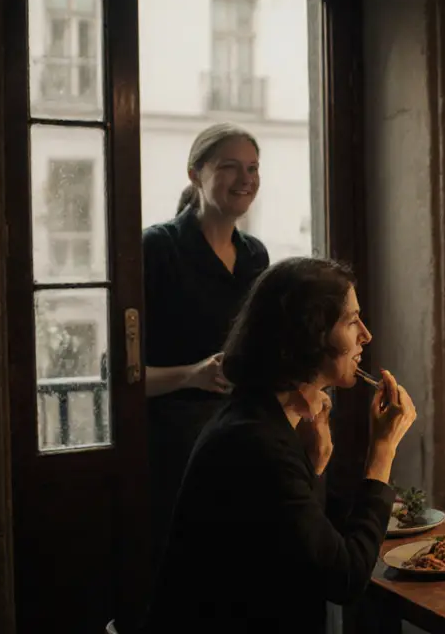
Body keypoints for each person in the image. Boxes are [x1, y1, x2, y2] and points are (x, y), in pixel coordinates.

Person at [145, 257, 416, 633]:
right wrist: (383, 452)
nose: (366, 335)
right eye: (351, 321)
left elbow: (307, 541)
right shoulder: (255, 442)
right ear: (311, 335)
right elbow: (346, 578)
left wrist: (315, 465)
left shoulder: (264, 419)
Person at [142, 123, 269, 558]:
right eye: (230, 167)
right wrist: (193, 375)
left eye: (252, 167)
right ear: (195, 174)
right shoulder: (156, 248)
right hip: (176, 449)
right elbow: (117, 375)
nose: (246, 179)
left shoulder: (256, 255)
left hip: (245, 443)